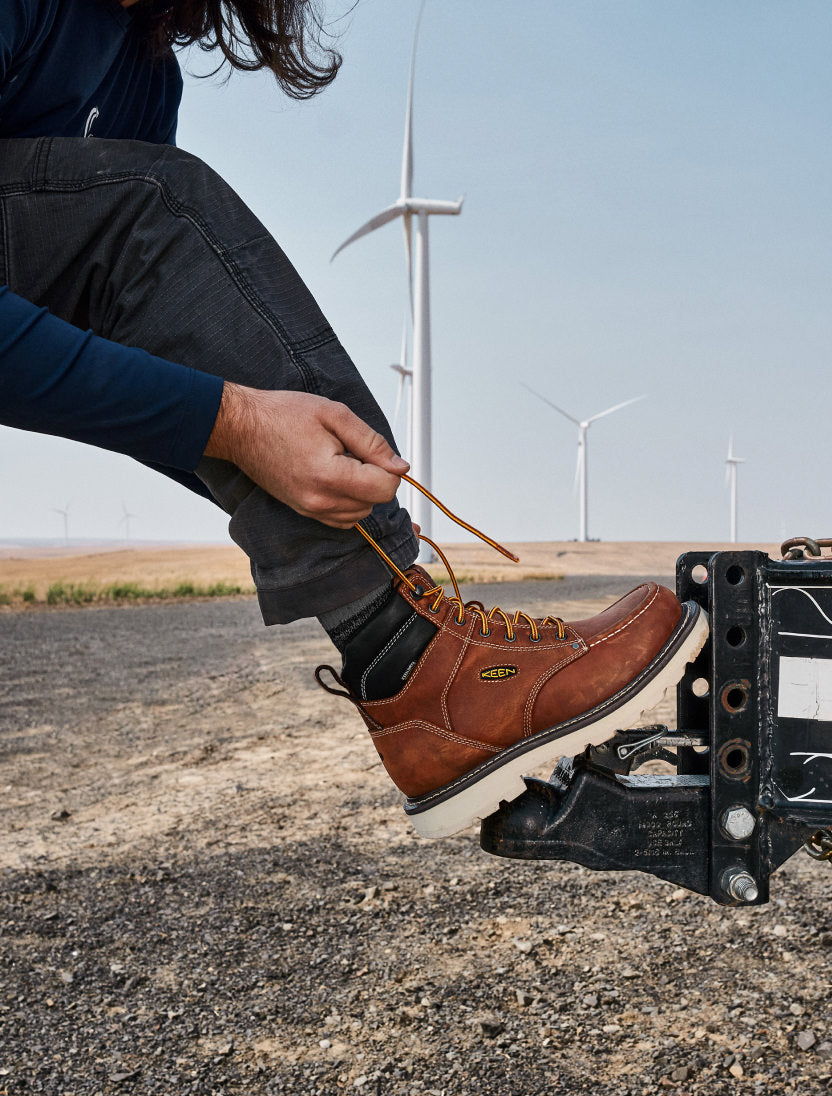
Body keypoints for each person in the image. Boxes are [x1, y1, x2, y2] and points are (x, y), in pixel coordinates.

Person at [0, 0, 707, 838]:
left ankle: (412, 662)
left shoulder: (143, 77)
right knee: (159, 208)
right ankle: (414, 661)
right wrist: (234, 423)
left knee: (165, 226)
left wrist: (261, 440)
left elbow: (151, 343)